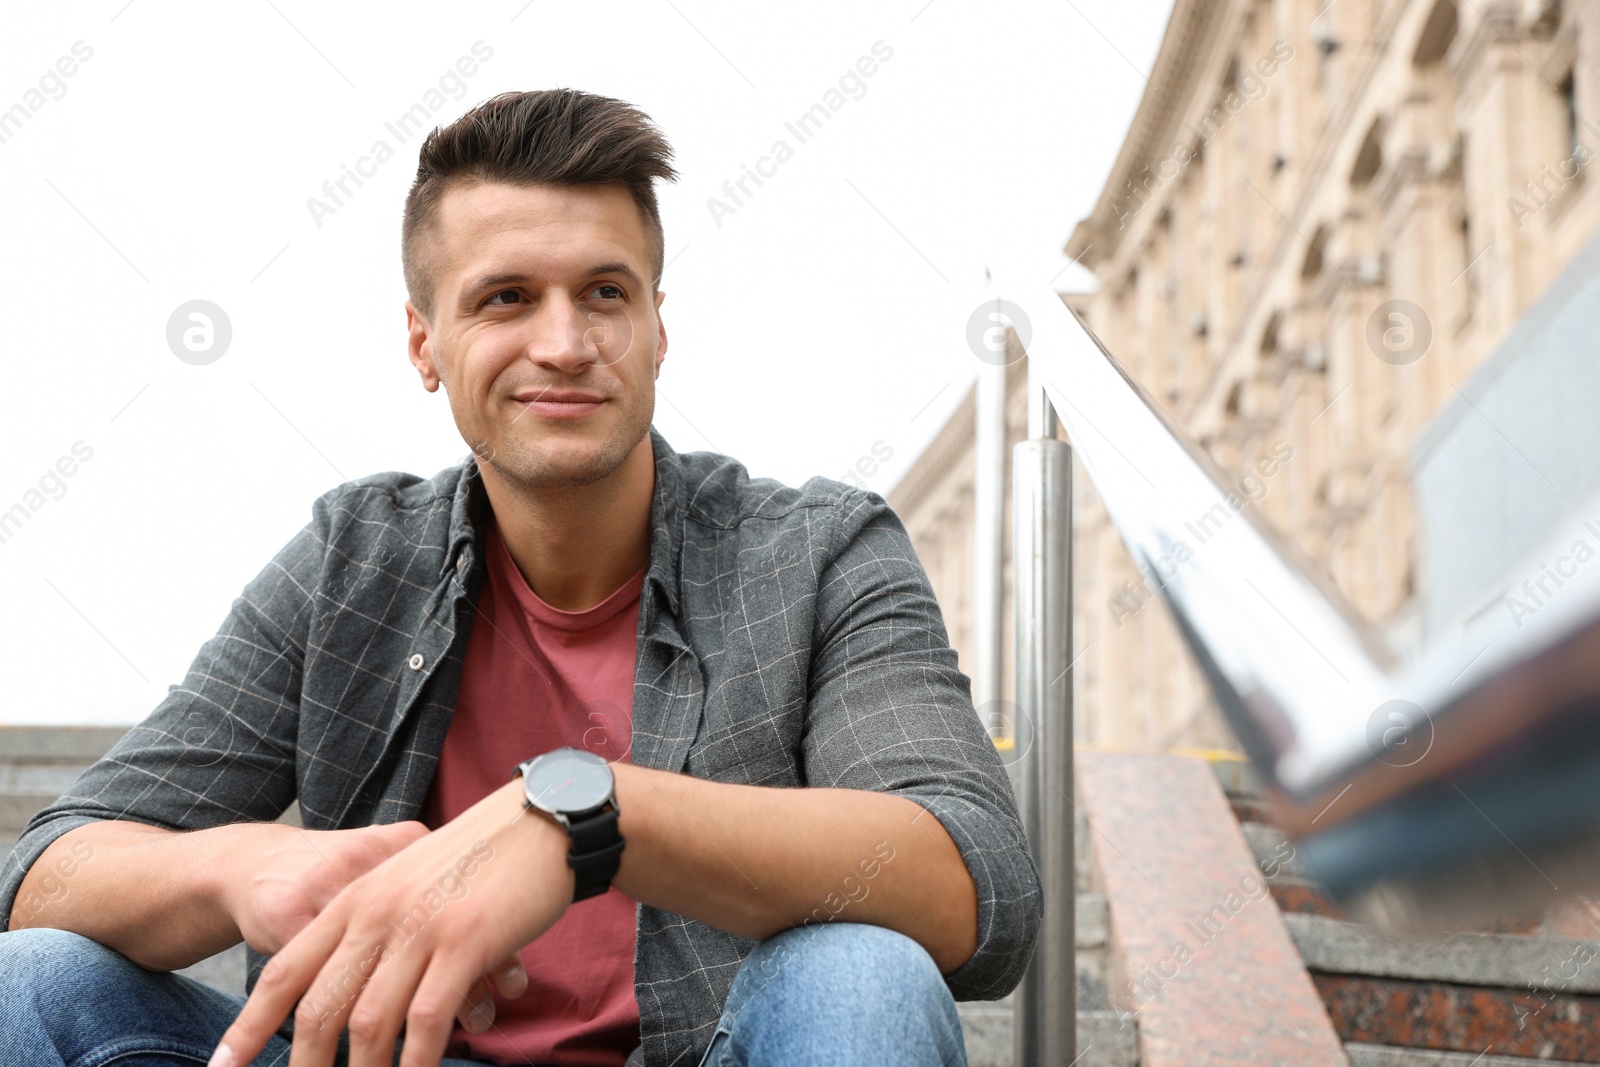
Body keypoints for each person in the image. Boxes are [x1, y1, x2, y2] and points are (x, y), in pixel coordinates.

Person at [0, 88, 1042, 1067]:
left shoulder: (813, 551)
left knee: (860, 972)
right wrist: (239, 868)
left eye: (603, 292)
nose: (564, 341)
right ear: (425, 342)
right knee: (32, 980)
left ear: (657, 327)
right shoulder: (351, 559)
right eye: (506, 297)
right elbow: (45, 870)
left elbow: (974, 875)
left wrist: (581, 820)